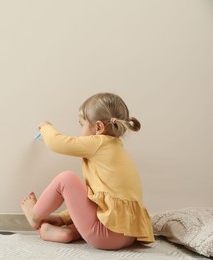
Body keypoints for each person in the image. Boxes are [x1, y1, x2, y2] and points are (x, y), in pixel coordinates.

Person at [21, 93, 154, 250]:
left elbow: (57, 143)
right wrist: (63, 218)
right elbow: (96, 199)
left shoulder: (98, 142)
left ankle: (35, 216)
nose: (80, 129)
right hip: (128, 234)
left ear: (98, 127)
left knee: (66, 179)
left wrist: (45, 127)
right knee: (85, 203)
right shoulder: (118, 150)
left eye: (81, 124)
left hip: (105, 235)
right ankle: (67, 232)